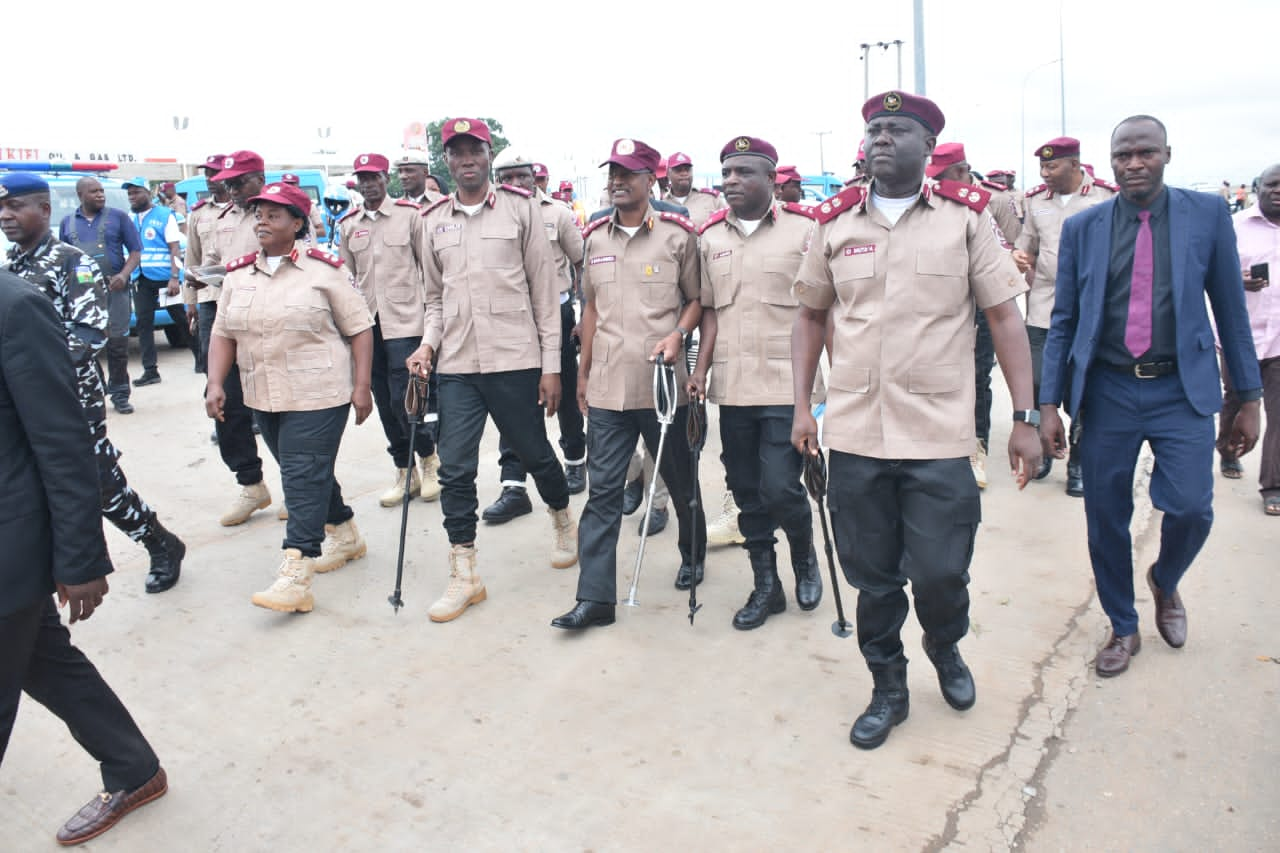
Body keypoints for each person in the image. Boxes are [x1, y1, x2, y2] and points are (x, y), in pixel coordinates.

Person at [791, 91, 1040, 750]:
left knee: (939, 573)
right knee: (872, 576)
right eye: (874, 127)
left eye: (898, 129)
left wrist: (1025, 415)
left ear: (929, 148)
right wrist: (800, 408)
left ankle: (944, 644)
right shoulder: (833, 223)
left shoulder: (965, 221)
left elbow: (1004, 318)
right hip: (855, 433)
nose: (881, 138)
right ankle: (888, 684)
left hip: (937, 433)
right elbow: (811, 317)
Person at [1039, 115, 1263, 678]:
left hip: (1180, 390)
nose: (1134, 164)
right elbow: (1062, 320)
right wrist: (1047, 405)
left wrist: (1250, 397)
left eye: (1146, 153)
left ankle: (1164, 579)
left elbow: (1232, 313)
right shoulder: (1084, 228)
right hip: (1109, 391)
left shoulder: (1206, 216)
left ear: (1167, 154)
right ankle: (1123, 624)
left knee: (1192, 507)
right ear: (1110, 161)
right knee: (1105, 516)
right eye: (1123, 155)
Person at [0, 268, 167, 847]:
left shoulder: (15, 306)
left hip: (10, 544)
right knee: (43, 658)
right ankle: (133, 767)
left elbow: (63, 438)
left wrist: (79, 558)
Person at [407, 118, 577, 624]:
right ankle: (465, 572)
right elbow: (434, 299)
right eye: (456, 152)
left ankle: (562, 516)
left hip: (515, 360)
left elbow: (546, 296)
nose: (466, 160)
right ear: (448, 161)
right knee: (456, 468)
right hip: (458, 363)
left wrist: (551, 368)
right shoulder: (431, 220)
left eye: (474, 150)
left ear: (488, 154)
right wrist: (426, 346)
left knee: (535, 454)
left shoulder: (522, 210)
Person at [550, 137, 707, 632]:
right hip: (609, 387)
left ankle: (693, 553)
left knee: (682, 484)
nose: (617, 182)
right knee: (602, 494)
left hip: (663, 389)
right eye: (612, 174)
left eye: (628, 174)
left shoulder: (679, 236)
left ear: (650, 180)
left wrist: (679, 335)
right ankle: (595, 598)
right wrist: (583, 370)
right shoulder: (594, 238)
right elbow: (591, 308)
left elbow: (698, 299)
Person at [1, 173, 185, 595]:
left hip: (70, 399)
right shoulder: (12, 268)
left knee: (96, 482)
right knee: (47, 480)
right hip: (27, 400)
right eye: (2, 209)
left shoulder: (73, 262)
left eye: (16, 207)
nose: (6, 216)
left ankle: (160, 544)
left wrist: (31, 370)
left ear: (44, 211)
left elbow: (87, 333)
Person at [207, 182, 375, 612]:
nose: (262, 220)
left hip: (320, 393)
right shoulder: (239, 274)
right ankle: (346, 531)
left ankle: (296, 569)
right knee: (307, 470)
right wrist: (214, 383)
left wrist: (361, 387)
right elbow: (223, 333)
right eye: (259, 213)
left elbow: (359, 329)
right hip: (264, 394)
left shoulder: (325, 270)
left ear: (298, 224)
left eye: (274, 215)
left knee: (300, 475)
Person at [690, 135, 822, 630]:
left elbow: (821, 310)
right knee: (745, 488)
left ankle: (805, 558)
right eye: (726, 173)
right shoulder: (710, 239)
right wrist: (700, 372)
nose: (731, 182)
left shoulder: (806, 232)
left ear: (772, 178)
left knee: (781, 486)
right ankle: (766, 585)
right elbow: (709, 312)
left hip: (788, 385)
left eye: (744, 172)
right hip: (733, 385)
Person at [480, 148, 587, 525]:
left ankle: (575, 459)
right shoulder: (490, 215)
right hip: (510, 321)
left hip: (554, 312)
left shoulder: (557, 213)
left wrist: (585, 315)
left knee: (566, 393)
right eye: (506, 178)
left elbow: (581, 263)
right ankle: (514, 486)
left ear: (535, 178)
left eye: (522, 177)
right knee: (512, 403)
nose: (515, 184)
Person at [1013, 137, 1117, 495]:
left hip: (1093, 310)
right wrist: (1019, 257)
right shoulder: (1035, 201)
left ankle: (1079, 464)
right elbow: (1025, 244)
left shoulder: (1105, 197)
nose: (1046, 174)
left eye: (1052, 166)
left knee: (1086, 391)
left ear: (1075, 164)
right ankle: (1045, 450)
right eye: (1042, 167)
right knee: (1040, 382)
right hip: (1044, 307)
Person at [339, 153, 442, 508]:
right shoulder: (349, 225)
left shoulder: (409, 217)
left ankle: (428, 460)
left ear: (386, 179)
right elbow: (347, 279)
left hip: (406, 322)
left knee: (407, 400)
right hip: (367, 324)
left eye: (374, 177)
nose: (368, 184)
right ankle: (404, 470)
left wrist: (431, 320)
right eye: (361, 178)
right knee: (383, 402)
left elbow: (428, 269)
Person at [927, 142, 1022, 489]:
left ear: (963, 171)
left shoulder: (983, 204)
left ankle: (975, 448)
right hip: (938, 308)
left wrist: (1013, 259)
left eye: (949, 175)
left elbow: (1012, 245)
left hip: (982, 305)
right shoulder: (925, 206)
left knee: (978, 376)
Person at [207, 151, 278, 526]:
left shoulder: (279, 209)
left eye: (239, 183)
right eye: (228, 183)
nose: (231, 190)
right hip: (228, 317)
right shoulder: (221, 218)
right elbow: (214, 260)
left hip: (271, 321)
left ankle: (303, 485)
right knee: (228, 408)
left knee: (280, 409)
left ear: (259, 178)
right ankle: (251, 483)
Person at [1219, 163, 1280, 511]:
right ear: (1258, 188)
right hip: (1239, 333)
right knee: (1238, 398)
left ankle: (1273, 485)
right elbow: (1214, 273)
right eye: (1271, 185)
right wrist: (1236, 279)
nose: (1278, 191)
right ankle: (1228, 451)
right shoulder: (1236, 227)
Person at [59, 177, 142, 413]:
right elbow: (63, 259)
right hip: (83, 294)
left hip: (115, 288)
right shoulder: (67, 223)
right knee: (86, 344)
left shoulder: (118, 217)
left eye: (101, 191)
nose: (100, 195)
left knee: (117, 343)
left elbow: (135, 251)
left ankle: (120, 394)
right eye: (93, 191)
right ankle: (97, 388)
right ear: (80, 195)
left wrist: (124, 275)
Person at [122, 177, 184, 386]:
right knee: (143, 324)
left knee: (181, 319)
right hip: (141, 279)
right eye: (130, 193)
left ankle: (202, 359)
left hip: (165, 279)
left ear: (148, 192)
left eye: (136, 192)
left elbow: (174, 248)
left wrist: (174, 277)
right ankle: (151, 370)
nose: (132, 197)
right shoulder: (130, 218)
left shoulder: (165, 215)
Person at [183, 156, 232, 378]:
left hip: (238, 293)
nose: (210, 179)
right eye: (207, 174)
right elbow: (192, 259)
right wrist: (190, 301)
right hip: (208, 296)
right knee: (208, 352)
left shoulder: (246, 209)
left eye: (215, 173)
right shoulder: (199, 212)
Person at [664, 151, 727, 226]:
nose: (684, 173)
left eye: (687, 170)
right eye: (678, 170)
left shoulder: (712, 199)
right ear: (668, 174)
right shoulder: (662, 203)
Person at [281, 173, 326, 241]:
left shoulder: (308, 205)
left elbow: (322, 231)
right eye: (286, 184)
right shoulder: (278, 206)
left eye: (292, 184)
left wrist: (302, 233)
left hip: (306, 248)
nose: (289, 187)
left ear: (297, 185)